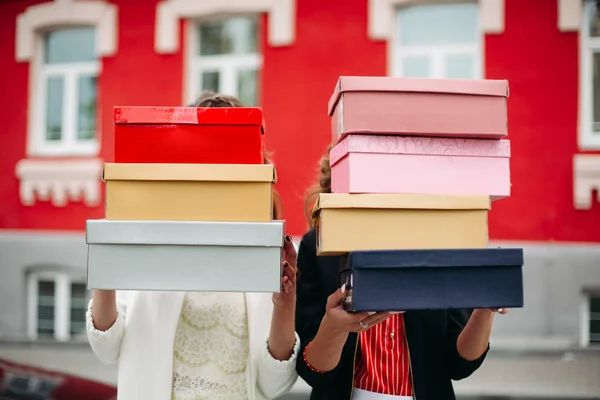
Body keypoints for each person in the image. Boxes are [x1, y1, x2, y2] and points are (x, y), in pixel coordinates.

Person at [86, 92, 299, 400]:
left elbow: (273, 384)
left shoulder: (264, 252)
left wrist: (285, 305)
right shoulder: (151, 239)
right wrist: (108, 257)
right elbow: (106, 348)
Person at [294, 145, 508, 400]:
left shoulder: (442, 243)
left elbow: (458, 364)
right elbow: (312, 372)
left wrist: (484, 310)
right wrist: (335, 328)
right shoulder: (318, 247)